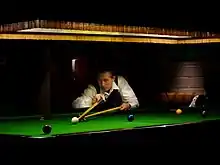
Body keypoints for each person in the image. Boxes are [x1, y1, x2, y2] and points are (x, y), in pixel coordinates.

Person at [72, 69, 139, 111]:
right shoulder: (94, 87)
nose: (102, 84)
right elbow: (75, 104)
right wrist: (92, 101)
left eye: (106, 80)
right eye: (100, 80)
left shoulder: (120, 81)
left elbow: (135, 102)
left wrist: (128, 105)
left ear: (113, 78)